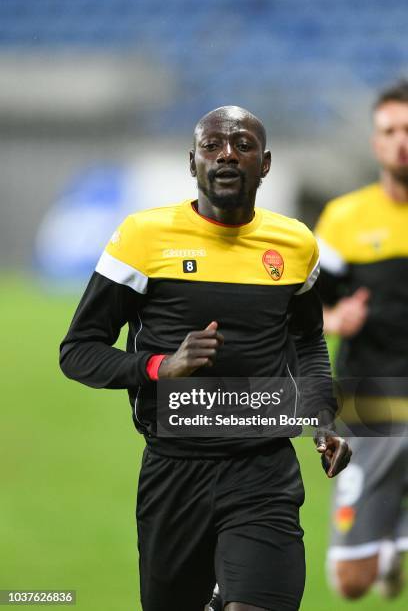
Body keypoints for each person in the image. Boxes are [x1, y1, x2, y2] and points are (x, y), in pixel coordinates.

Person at [60, 105, 351, 611]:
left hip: (263, 467)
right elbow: (78, 351)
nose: (226, 155)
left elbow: (307, 342)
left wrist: (322, 417)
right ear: (191, 161)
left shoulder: (295, 245)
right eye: (212, 145)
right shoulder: (143, 238)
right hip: (175, 471)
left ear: (265, 165)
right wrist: (159, 367)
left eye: (242, 145)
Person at [316, 80, 408, 600]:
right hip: (368, 402)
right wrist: (333, 318)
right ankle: (390, 540)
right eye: (389, 131)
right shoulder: (344, 219)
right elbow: (304, 309)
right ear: (375, 142)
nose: (401, 142)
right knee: (351, 583)